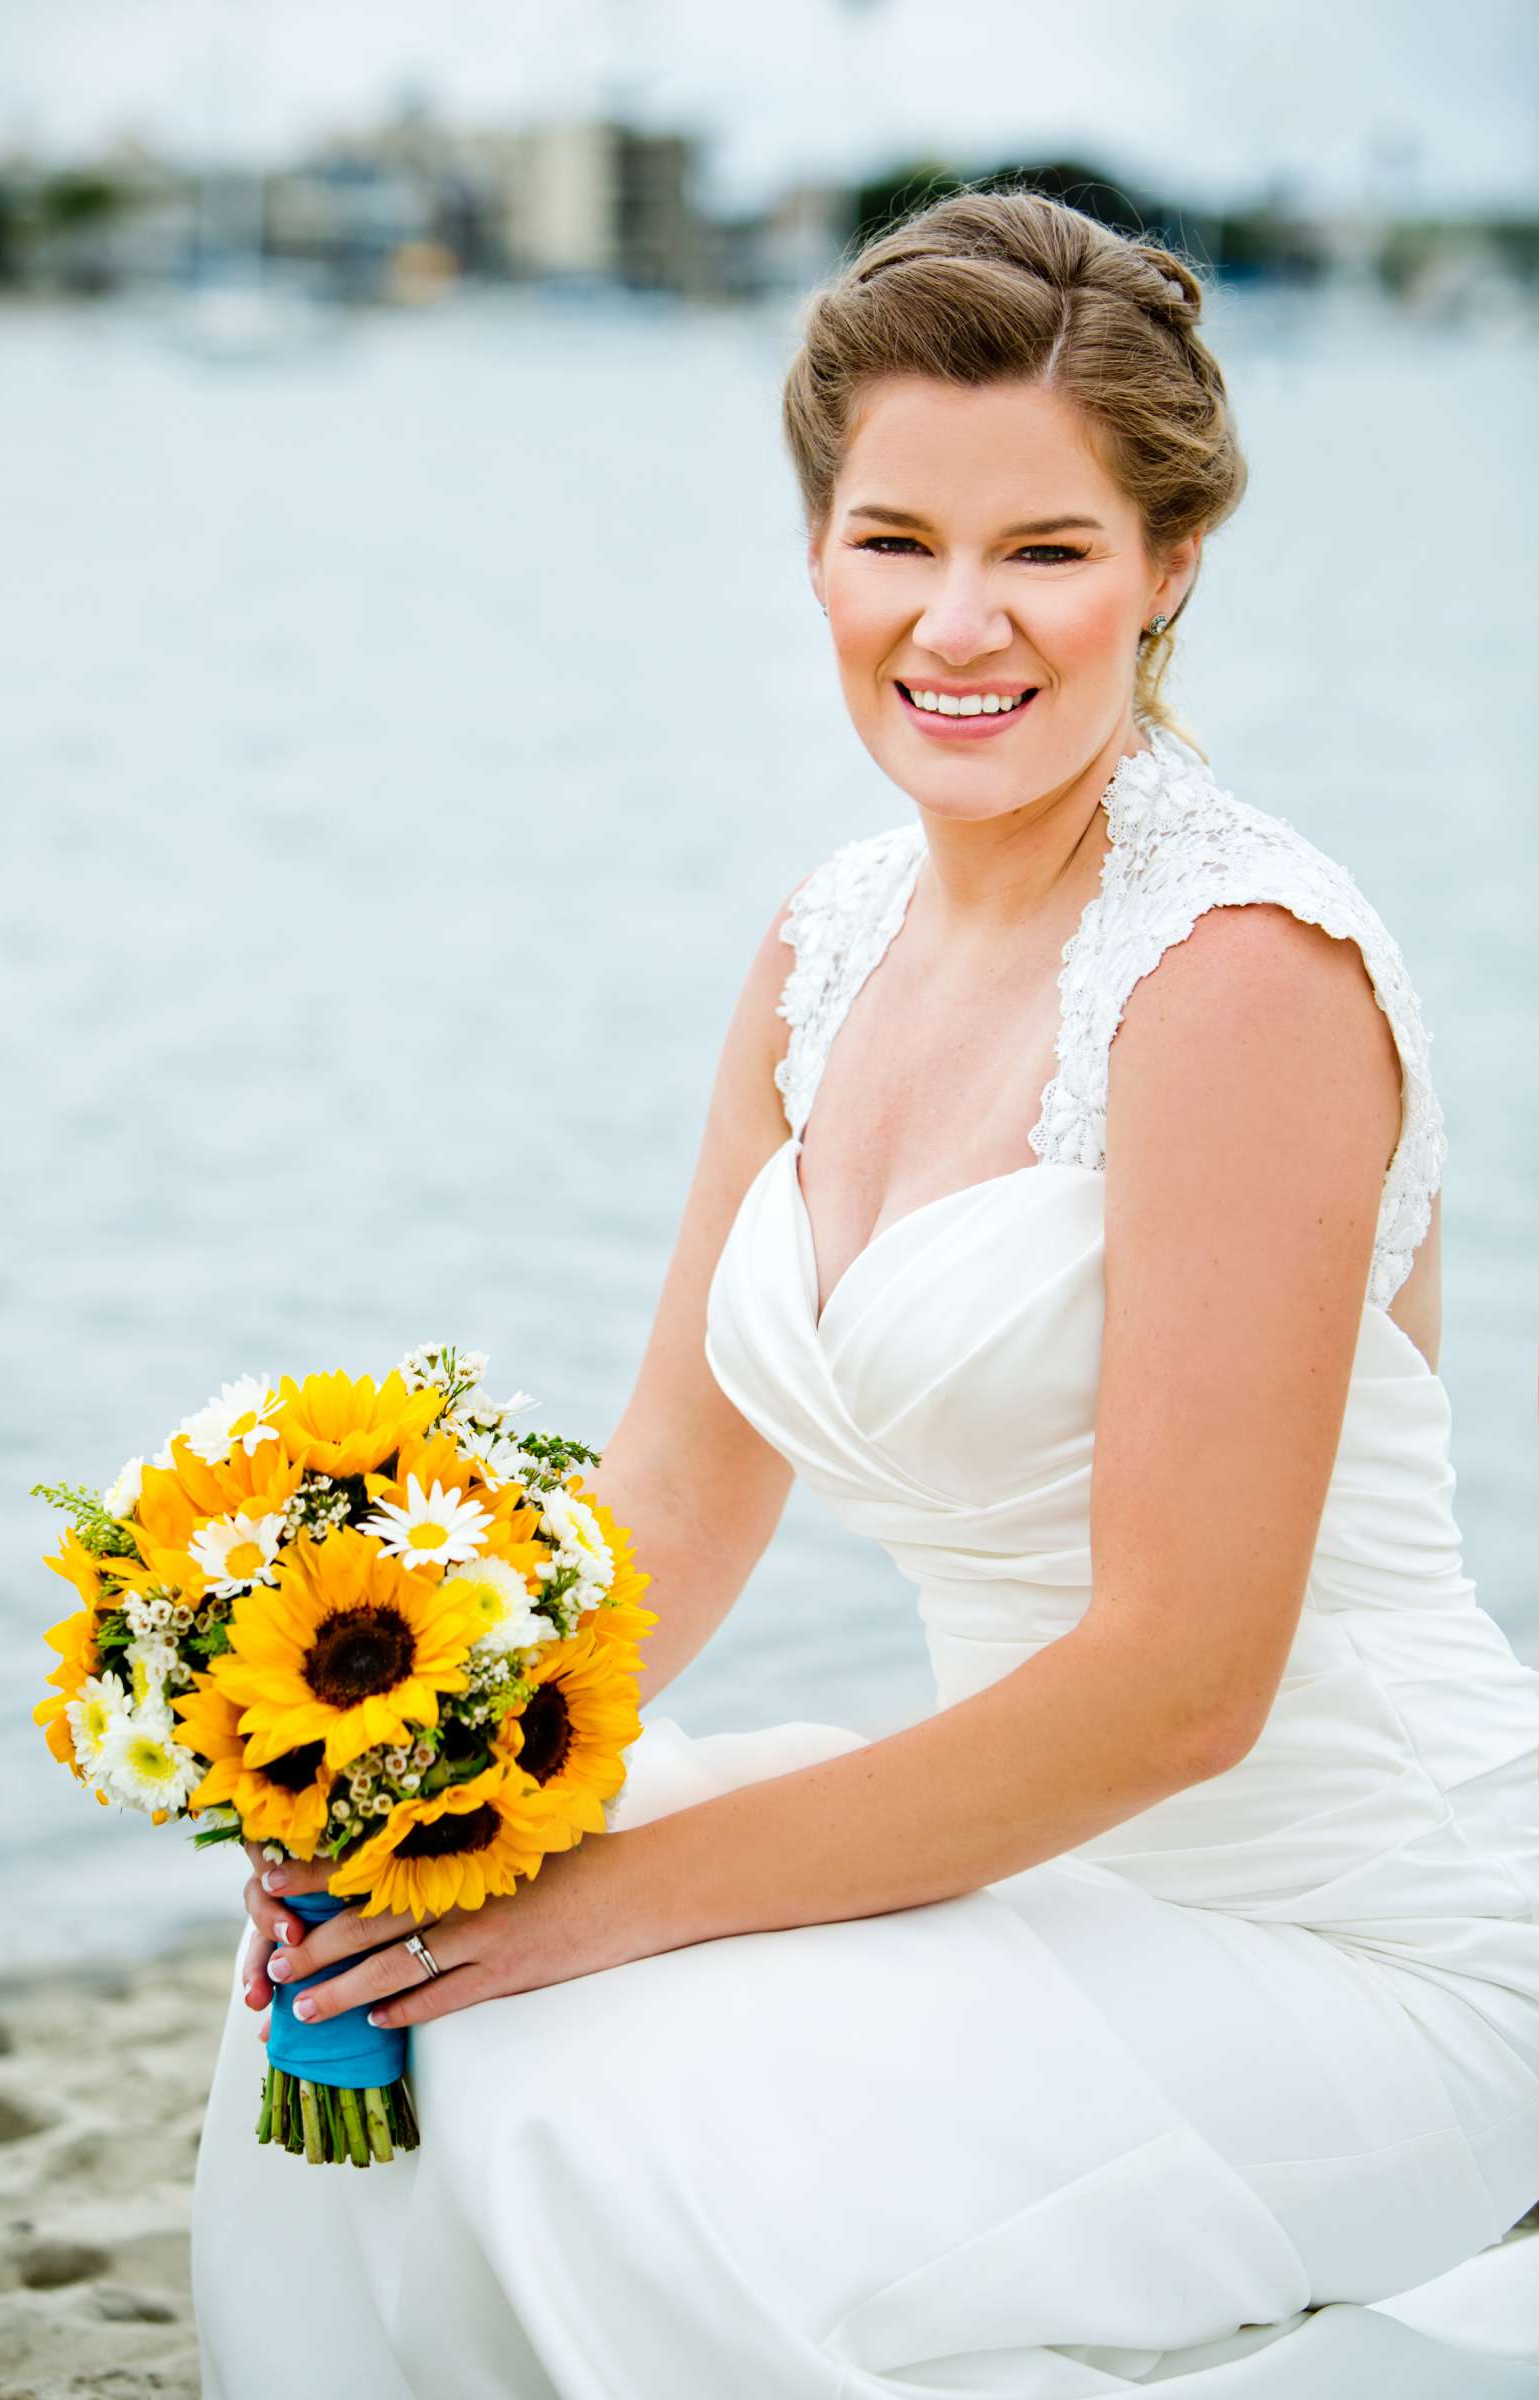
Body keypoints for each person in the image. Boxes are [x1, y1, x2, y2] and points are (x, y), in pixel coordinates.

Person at [192, 187, 1539, 2398]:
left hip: (1354, 1933)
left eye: (1046, 549)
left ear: (1167, 565)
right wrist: (418, 1784)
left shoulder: (1237, 984)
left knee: (595, 2146)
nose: (959, 624)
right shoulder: (826, 945)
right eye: (895, 538)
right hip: (1041, 1875)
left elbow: (1178, 1685)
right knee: (350, 2041)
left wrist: (595, 1904)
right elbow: (671, 1502)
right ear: (814, 552)